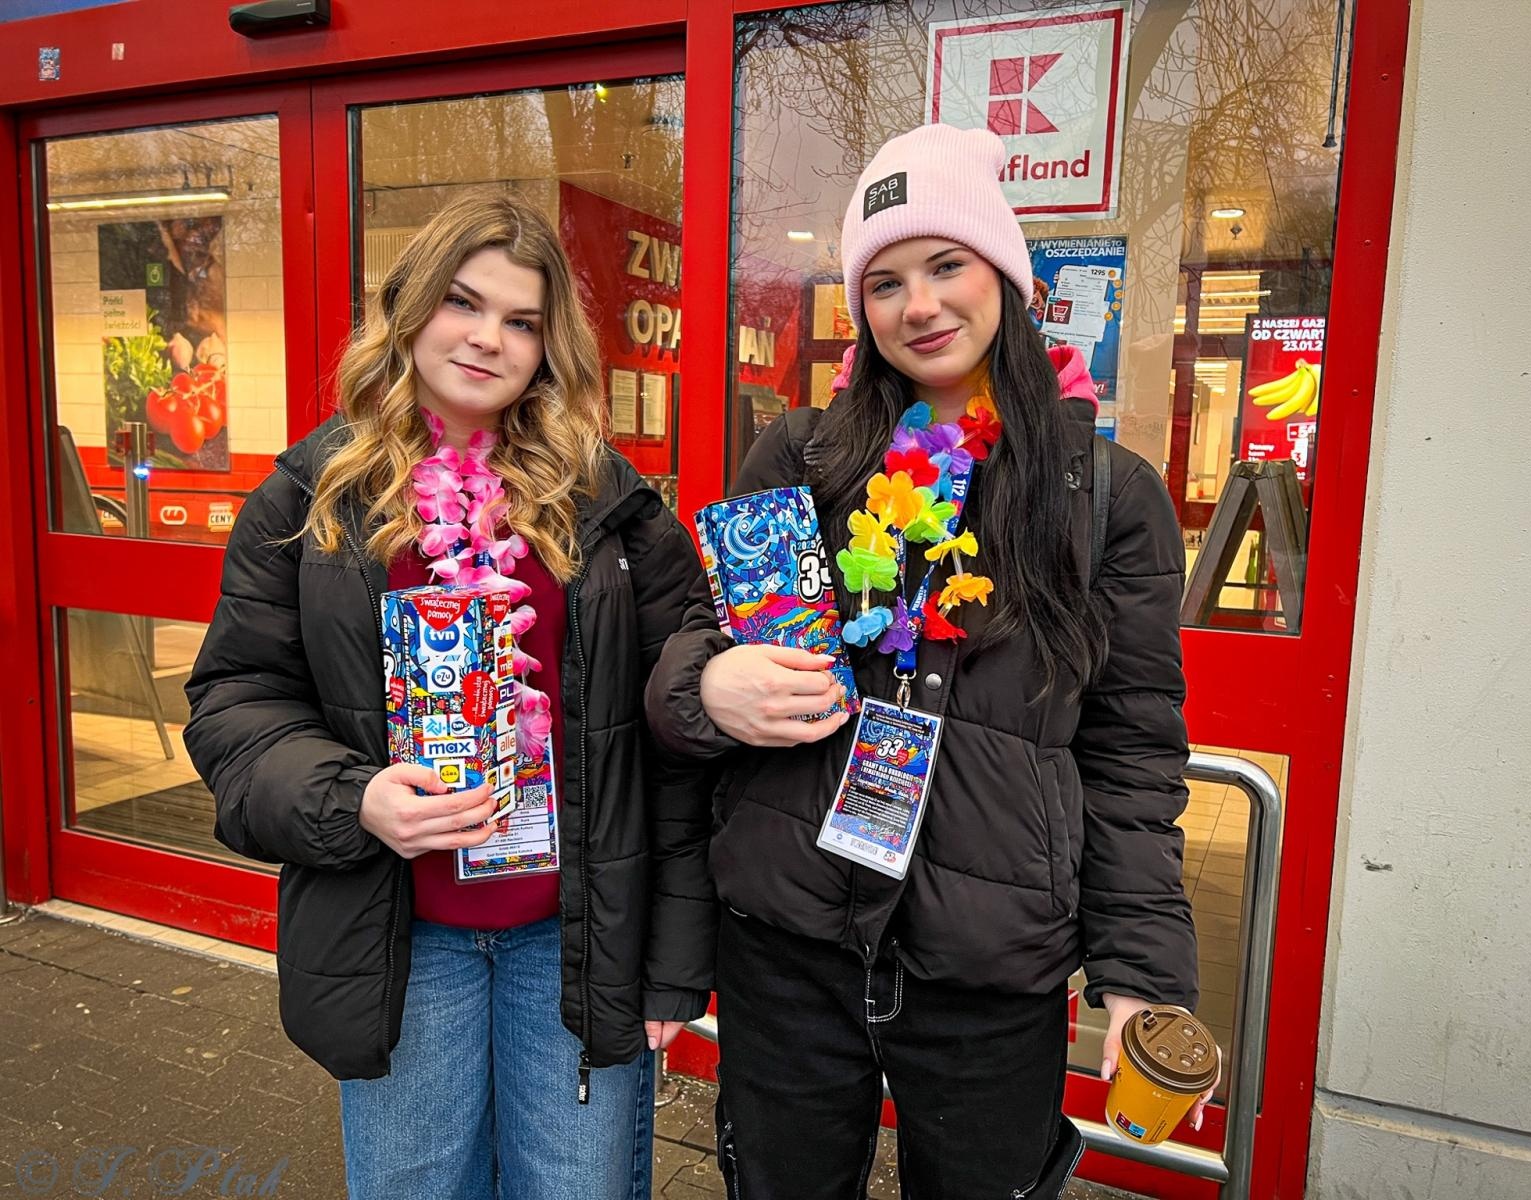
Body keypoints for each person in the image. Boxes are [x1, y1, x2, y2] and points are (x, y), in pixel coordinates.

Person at [645, 124, 1203, 1199]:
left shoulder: (1102, 495)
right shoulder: (804, 458)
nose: (920, 305)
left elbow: (1133, 753)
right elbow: (686, 664)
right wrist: (706, 686)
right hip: (789, 944)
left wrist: (1139, 968)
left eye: (947, 264)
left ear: (1004, 275)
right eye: (886, 281)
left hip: (991, 968)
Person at [184, 191, 716, 1199]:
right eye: (462, 302)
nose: (486, 338)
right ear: (410, 307)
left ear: (549, 347)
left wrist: (673, 957)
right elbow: (236, 707)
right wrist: (354, 799)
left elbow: (675, 746)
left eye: (521, 320)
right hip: (403, 937)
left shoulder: (614, 508)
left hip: (575, 943)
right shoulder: (310, 500)